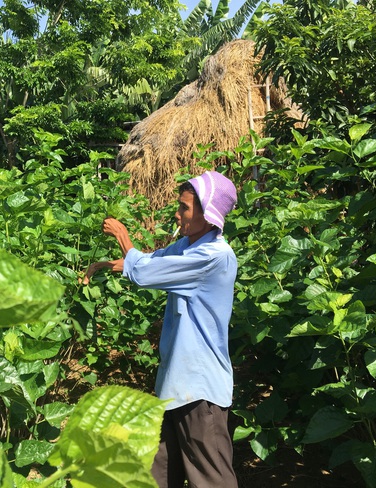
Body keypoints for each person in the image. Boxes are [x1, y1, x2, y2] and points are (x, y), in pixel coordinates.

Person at [82, 170, 239, 488]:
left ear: (208, 214)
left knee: (211, 480)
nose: (178, 214)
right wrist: (110, 265)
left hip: (200, 390)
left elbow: (146, 273)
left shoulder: (213, 256)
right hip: (175, 387)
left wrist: (122, 236)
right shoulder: (189, 247)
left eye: (184, 208)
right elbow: (153, 261)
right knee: (159, 474)